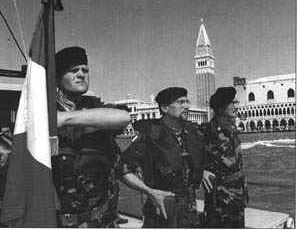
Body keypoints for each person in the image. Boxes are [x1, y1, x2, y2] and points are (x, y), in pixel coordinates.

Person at [53, 46, 130, 227]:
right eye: (73, 70)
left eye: (85, 70)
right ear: (57, 78)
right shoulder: (43, 111)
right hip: (61, 221)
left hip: (100, 219)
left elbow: (123, 117)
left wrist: (65, 118)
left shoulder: (96, 108)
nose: (81, 74)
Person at [121, 87, 208, 228]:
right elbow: (122, 168)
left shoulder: (192, 133)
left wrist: (202, 171)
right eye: (180, 102)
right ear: (165, 108)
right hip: (161, 213)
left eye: (187, 101)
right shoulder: (151, 136)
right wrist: (150, 192)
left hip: (189, 213)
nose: (186, 106)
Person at [202, 86, 249, 228]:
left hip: (238, 198)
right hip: (220, 202)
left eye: (236, 102)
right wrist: (201, 171)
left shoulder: (232, 129)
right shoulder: (207, 132)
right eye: (232, 103)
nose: (236, 106)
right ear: (222, 107)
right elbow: (186, 154)